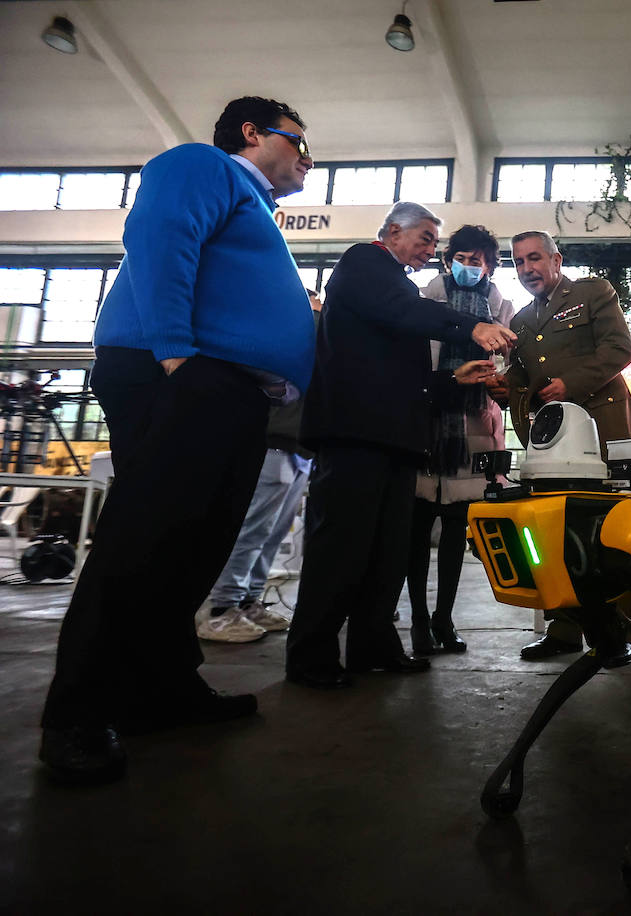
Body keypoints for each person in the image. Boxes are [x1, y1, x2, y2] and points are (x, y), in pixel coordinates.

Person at [38, 96, 318, 784]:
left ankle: (159, 689)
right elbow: (162, 238)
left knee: (194, 546)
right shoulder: (204, 165)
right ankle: (76, 713)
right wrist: (173, 355)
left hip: (229, 390)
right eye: (300, 143)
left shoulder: (256, 206)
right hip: (182, 372)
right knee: (144, 538)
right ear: (252, 134)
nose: (308, 159)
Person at [285, 203, 515, 690]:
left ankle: (372, 644)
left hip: (392, 437)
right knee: (341, 547)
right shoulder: (363, 264)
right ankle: (311, 655)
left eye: (435, 241)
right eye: (427, 238)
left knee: (386, 552)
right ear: (392, 231)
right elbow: (404, 312)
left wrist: (452, 379)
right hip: (354, 434)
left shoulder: (395, 286)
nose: (432, 249)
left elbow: (397, 375)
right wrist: (470, 326)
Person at [490, 230, 631, 661]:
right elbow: (521, 379)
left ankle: (620, 629)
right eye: (519, 262)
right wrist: (505, 389)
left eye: (535, 258)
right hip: (556, 440)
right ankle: (564, 628)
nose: (527, 269)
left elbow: (620, 349)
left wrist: (570, 385)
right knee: (558, 530)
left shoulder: (593, 292)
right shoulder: (520, 321)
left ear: (556, 260)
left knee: (611, 530)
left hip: (605, 428)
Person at [407, 225, 515, 656]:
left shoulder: (501, 306)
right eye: (461, 257)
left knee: (455, 530)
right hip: (428, 422)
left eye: (477, 260)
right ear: (448, 259)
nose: (467, 266)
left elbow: (510, 360)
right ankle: (417, 621)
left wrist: (502, 379)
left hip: (474, 427)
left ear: (489, 266)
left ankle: (443, 619)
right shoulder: (425, 299)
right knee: (416, 531)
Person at [197, 292, 322, 643]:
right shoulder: (290, 330)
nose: (319, 304)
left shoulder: (305, 338)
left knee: (271, 534)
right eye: (313, 300)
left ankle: (248, 600)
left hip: (297, 448)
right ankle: (220, 610)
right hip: (273, 445)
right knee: (252, 532)